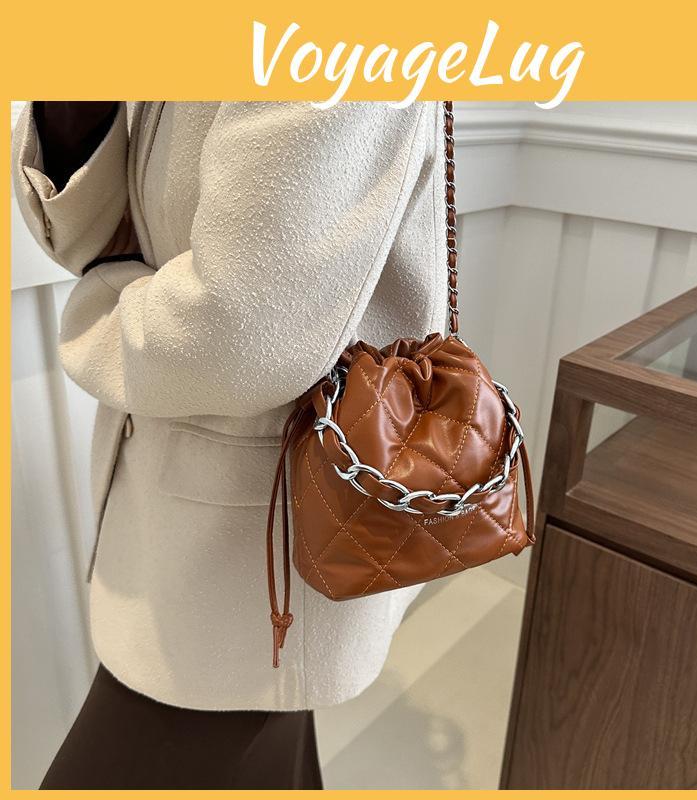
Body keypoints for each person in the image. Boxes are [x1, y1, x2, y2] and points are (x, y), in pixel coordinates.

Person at [12, 101, 447, 789]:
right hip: (214, 526)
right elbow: (91, 240)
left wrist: (96, 311)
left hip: (262, 543)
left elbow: (241, 333)